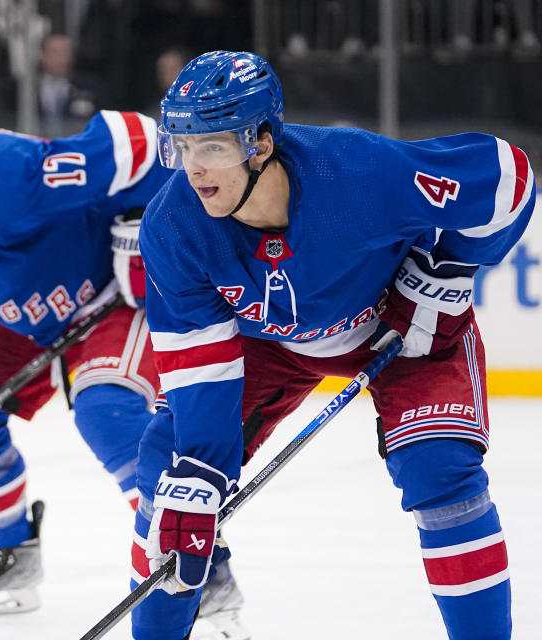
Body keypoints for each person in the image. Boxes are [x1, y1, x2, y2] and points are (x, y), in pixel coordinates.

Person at [129, 50, 534, 640]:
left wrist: (448, 270)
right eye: (182, 146)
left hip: (404, 334)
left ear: (261, 142)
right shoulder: (173, 226)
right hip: (268, 347)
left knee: (441, 472)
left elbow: (506, 176)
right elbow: (200, 365)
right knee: (167, 476)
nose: (193, 168)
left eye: (212, 146)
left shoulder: (362, 174)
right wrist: (198, 470)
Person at [0, 95, 173, 613]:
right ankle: (13, 555)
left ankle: (182, 554)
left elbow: (138, 141)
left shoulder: (3, 166)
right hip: (26, 318)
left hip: (111, 297)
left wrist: (144, 221)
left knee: (107, 412)